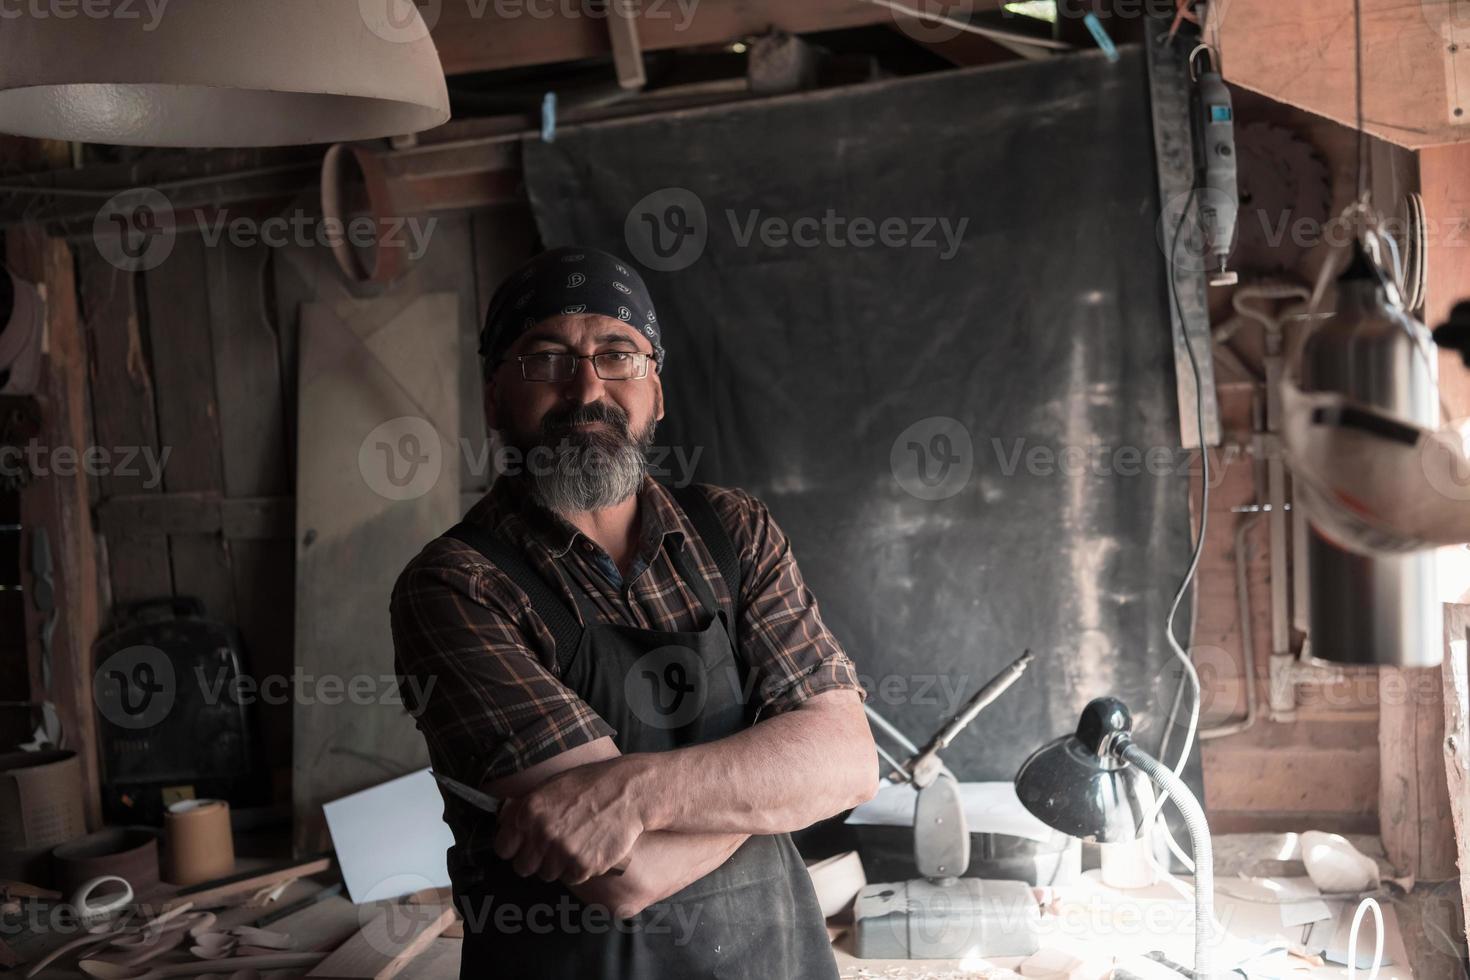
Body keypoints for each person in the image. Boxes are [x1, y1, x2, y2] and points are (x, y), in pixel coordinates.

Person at [391, 245, 877, 979]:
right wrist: (775, 782)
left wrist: (630, 791)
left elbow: (848, 763)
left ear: (655, 389)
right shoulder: (457, 586)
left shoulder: (734, 531)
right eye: (545, 357)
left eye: (618, 354)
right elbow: (627, 875)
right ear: (495, 398)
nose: (586, 388)